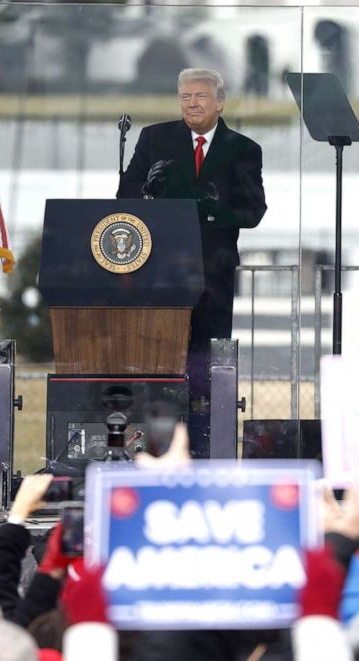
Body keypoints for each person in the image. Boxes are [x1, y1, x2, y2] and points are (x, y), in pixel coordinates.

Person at [117, 68, 267, 453]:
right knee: (159, 355)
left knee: (206, 360)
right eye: (185, 97)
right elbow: (125, 195)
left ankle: (204, 443)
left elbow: (253, 211)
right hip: (160, 271)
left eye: (200, 96)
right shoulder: (156, 138)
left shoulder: (243, 149)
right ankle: (156, 444)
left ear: (219, 102)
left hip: (213, 275)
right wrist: (148, 195)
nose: (192, 103)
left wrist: (216, 210)